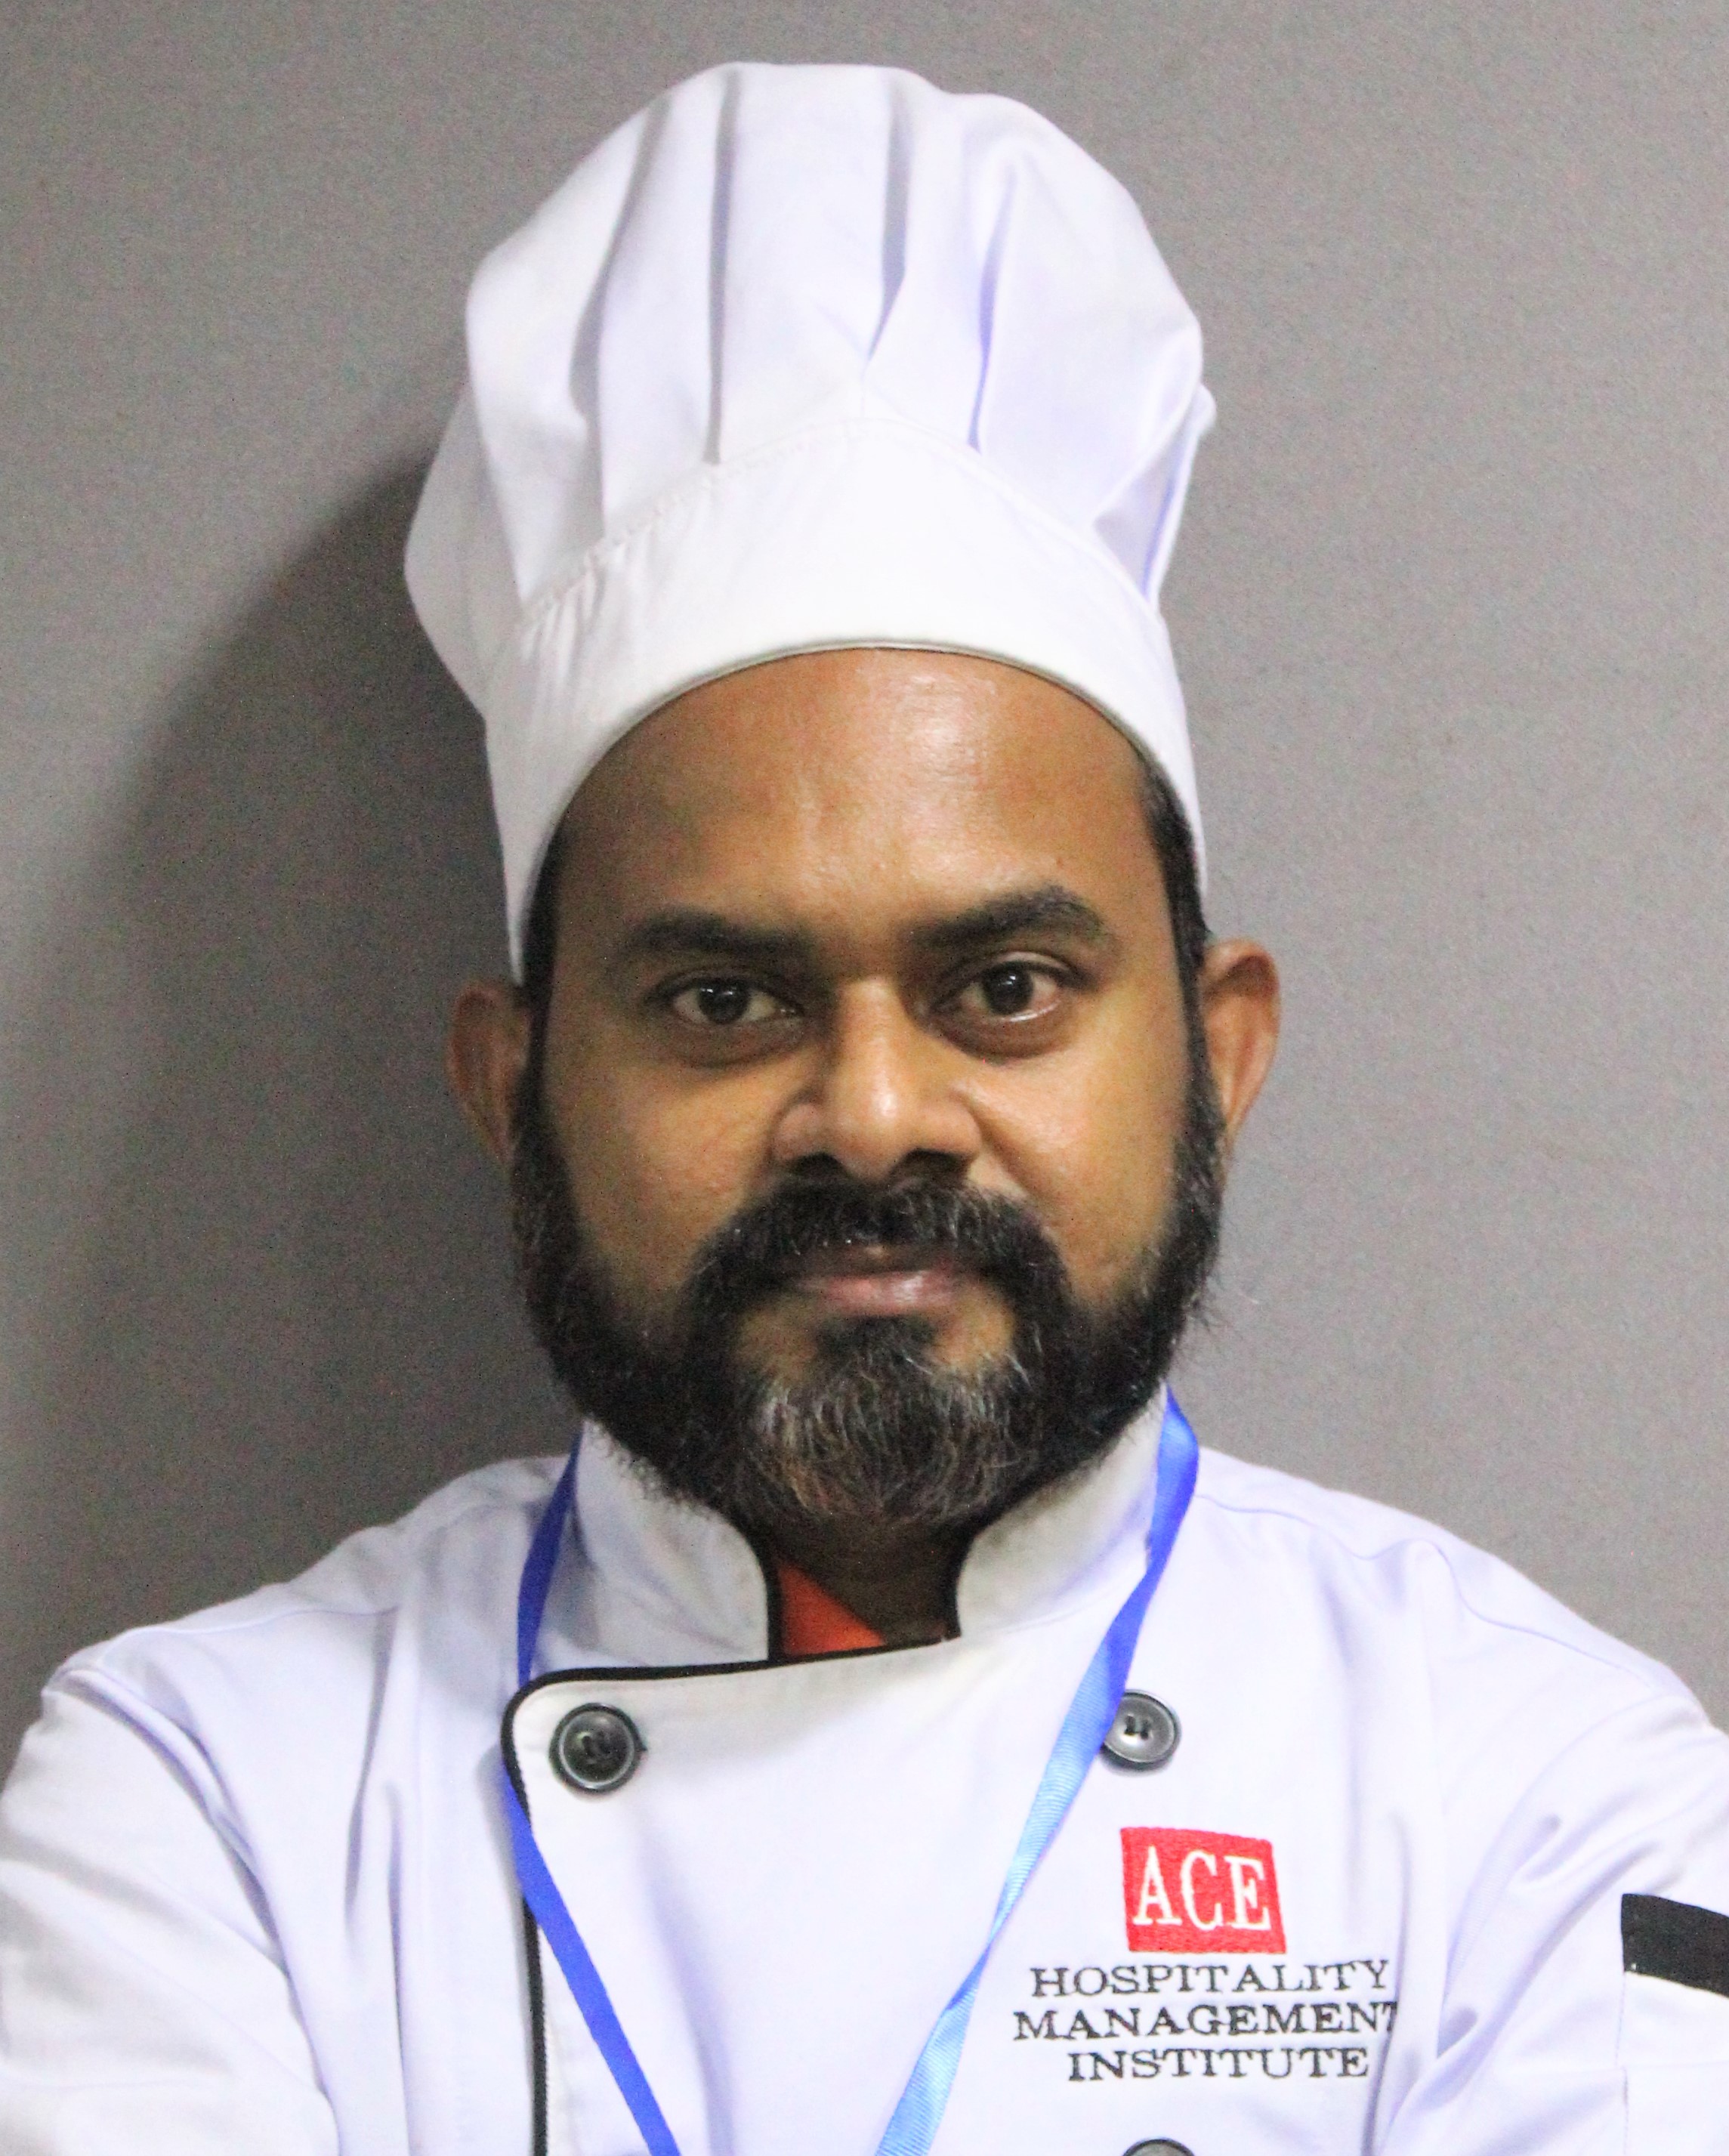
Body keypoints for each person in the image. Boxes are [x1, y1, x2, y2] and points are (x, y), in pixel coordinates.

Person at [2, 59, 1725, 2156]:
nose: (875, 1115)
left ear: (1220, 1055)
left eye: (1006, 989)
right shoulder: (208, 1802)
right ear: (512, 1087)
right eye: (723, 1000)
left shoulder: (1537, 1793)